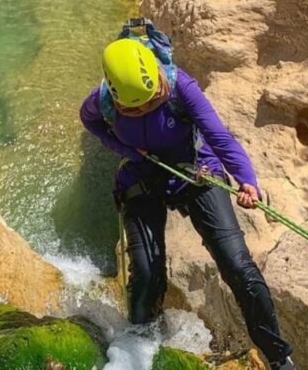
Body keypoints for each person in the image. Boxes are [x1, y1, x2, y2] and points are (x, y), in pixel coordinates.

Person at [79, 37, 295, 370]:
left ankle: (279, 358)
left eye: (153, 101)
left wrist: (246, 179)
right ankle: (141, 344)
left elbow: (219, 136)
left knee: (238, 266)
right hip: (141, 174)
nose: (147, 109)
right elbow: (89, 120)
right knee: (146, 273)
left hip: (195, 168)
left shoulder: (181, 88)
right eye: (135, 109)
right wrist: (125, 150)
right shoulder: (103, 99)